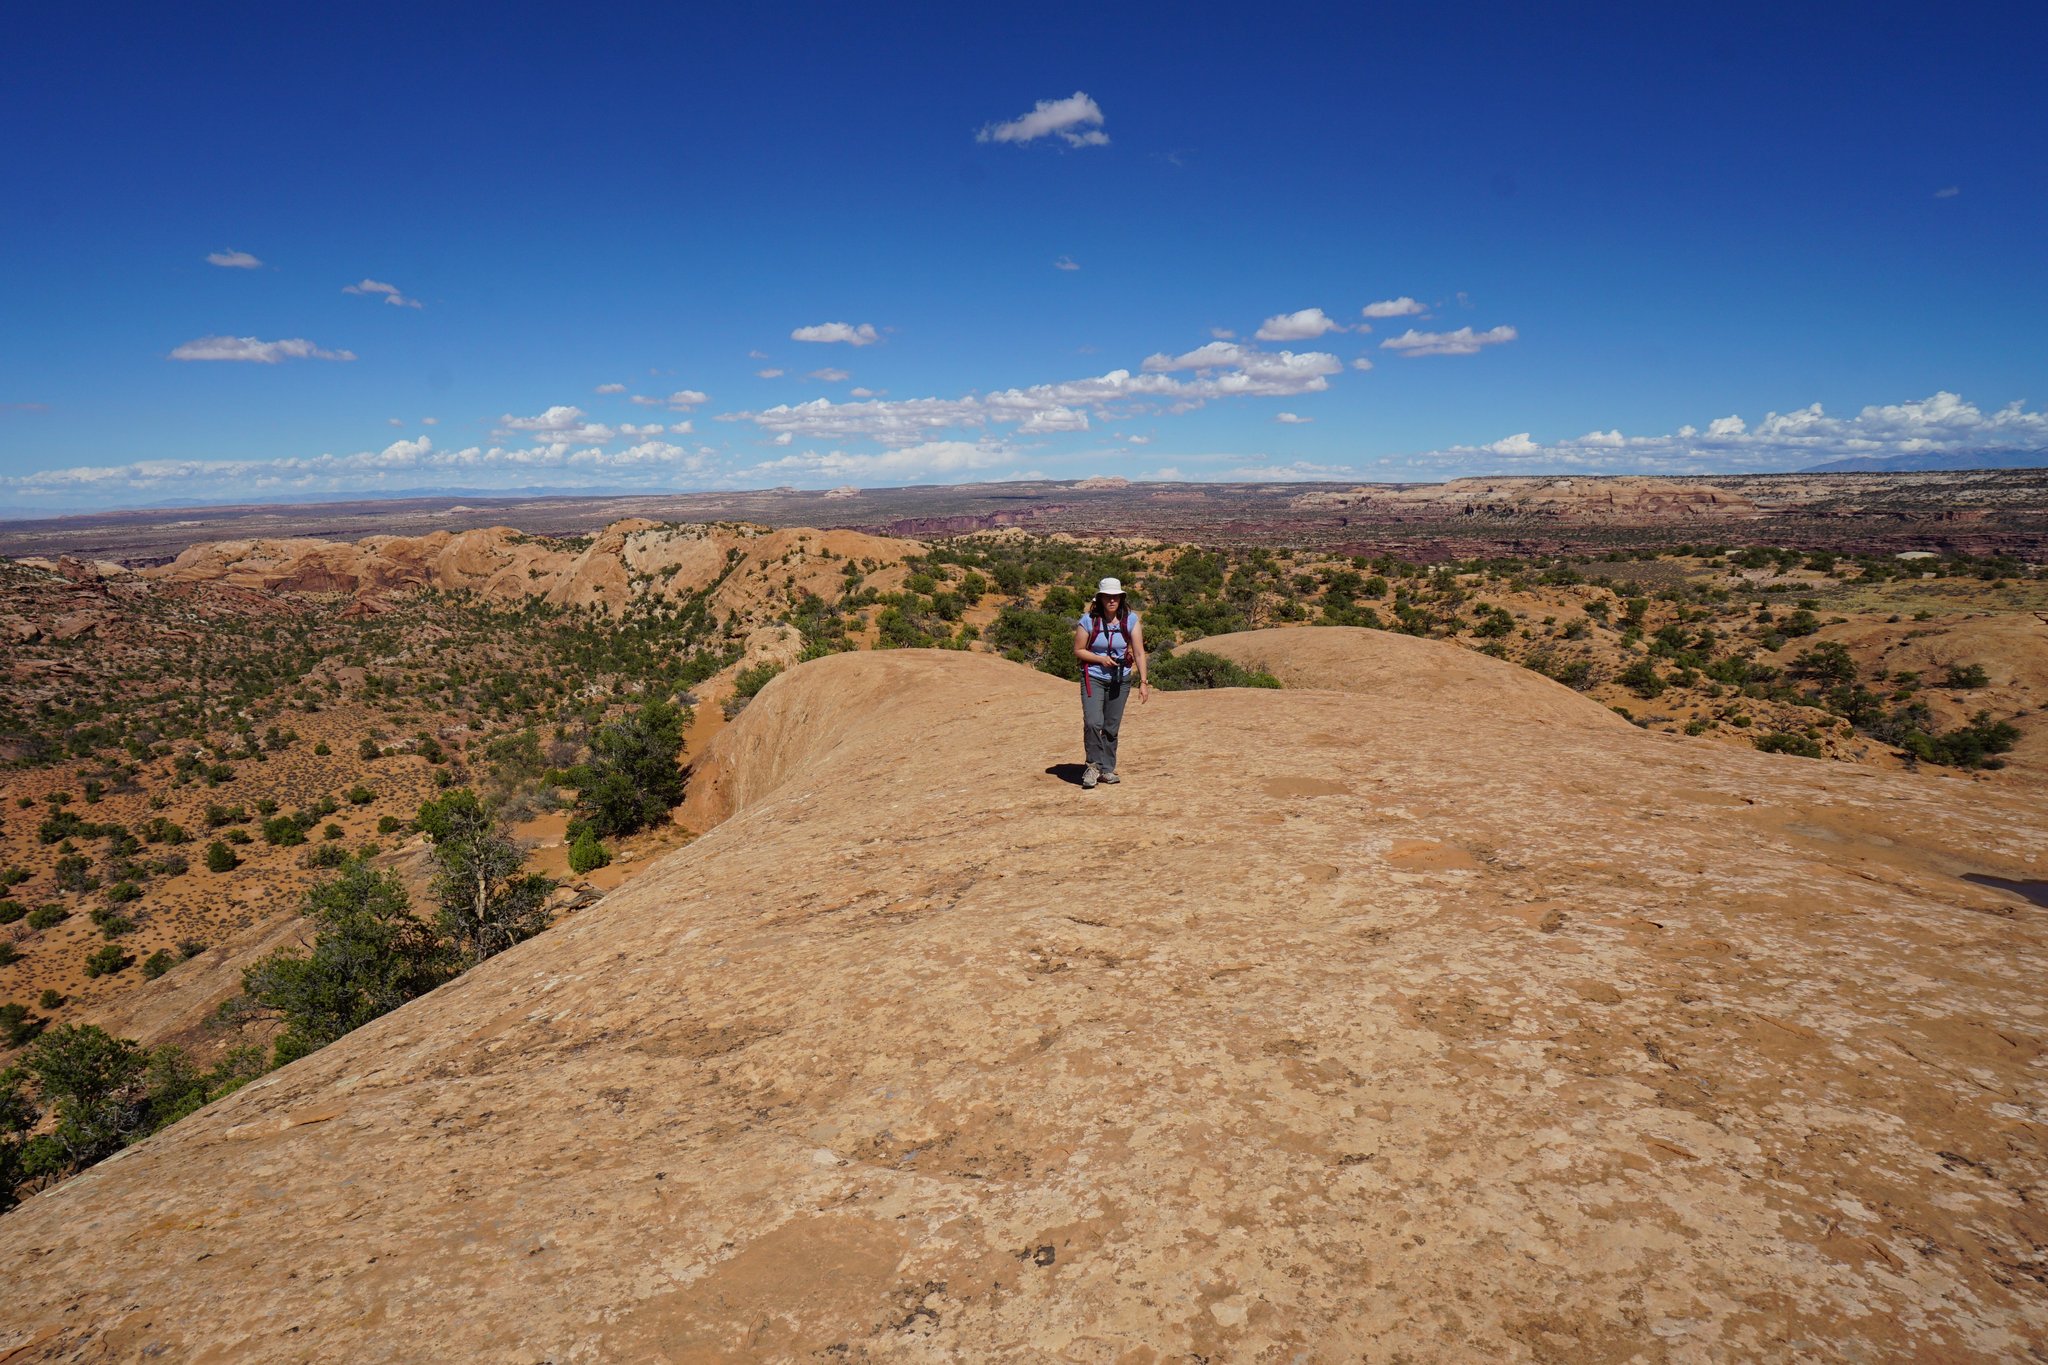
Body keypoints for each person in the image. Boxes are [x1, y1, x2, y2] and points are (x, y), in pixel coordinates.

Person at [1072, 577, 1149, 790]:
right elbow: (1078, 650)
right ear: (1100, 599)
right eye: (1108, 596)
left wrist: (1143, 682)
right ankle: (1092, 766)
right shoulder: (1088, 620)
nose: (1112, 600)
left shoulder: (1130, 620)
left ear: (1121, 598)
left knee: (1111, 727)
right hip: (1094, 677)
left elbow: (1139, 653)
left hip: (1120, 679)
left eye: (1116, 596)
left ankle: (1107, 769)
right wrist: (1100, 659)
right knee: (1093, 722)